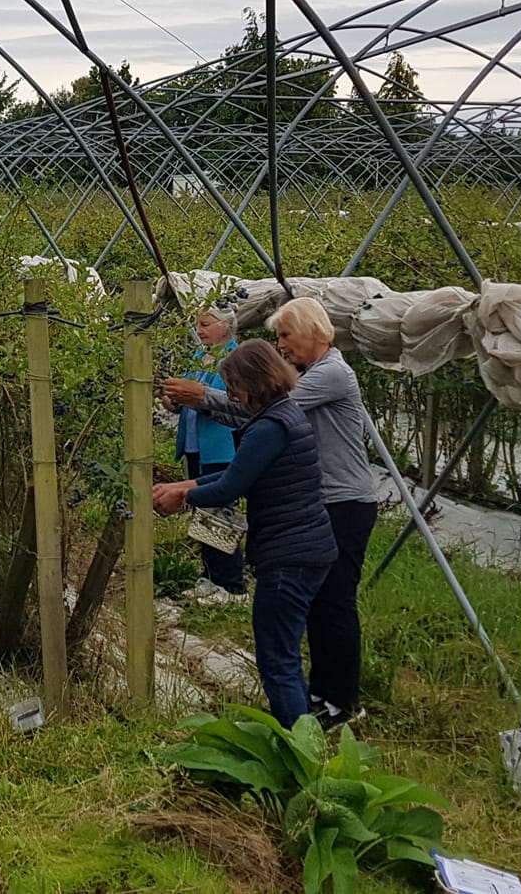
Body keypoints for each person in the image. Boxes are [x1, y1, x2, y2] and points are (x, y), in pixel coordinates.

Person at [153, 340, 335, 728]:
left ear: (254, 381)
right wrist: (189, 484)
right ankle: (302, 732)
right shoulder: (282, 417)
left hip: (290, 556)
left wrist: (183, 497)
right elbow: (242, 474)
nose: (232, 395)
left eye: (234, 385)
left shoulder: (269, 428)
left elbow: (230, 487)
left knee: (276, 658)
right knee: (284, 649)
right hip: (307, 548)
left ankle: (299, 751)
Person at [270, 297, 377, 726]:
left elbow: (268, 409)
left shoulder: (332, 374)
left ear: (316, 332)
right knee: (318, 600)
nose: (280, 345)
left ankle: (344, 703)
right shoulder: (312, 373)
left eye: (285, 335)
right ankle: (321, 693)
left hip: (346, 504)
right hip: (325, 502)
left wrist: (205, 398)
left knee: (335, 601)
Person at [162, 307, 244, 600]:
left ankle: (232, 583)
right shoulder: (200, 357)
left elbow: (234, 404)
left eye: (205, 324)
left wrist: (195, 396)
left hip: (220, 448)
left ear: (226, 325)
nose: (200, 330)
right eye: (197, 325)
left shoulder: (234, 360)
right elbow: (185, 400)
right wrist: (172, 399)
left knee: (220, 512)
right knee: (201, 511)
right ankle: (210, 575)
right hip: (195, 446)